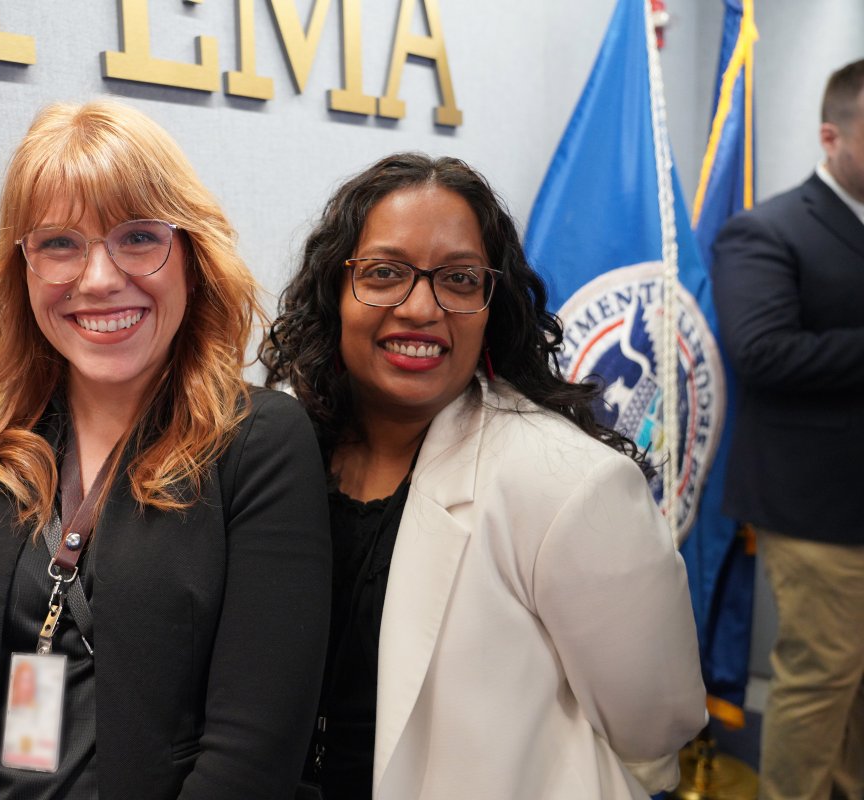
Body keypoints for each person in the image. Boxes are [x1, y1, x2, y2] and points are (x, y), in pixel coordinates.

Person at [0, 99, 332, 800]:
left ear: (191, 258)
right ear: (23, 270)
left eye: (138, 237)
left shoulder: (259, 444)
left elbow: (252, 758)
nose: (100, 278)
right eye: (59, 244)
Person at [261, 153, 707, 799]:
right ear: (336, 290)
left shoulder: (566, 481)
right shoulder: (283, 453)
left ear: (491, 305)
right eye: (384, 273)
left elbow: (656, 721)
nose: (420, 308)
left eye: (459, 280)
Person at [711, 59, 864, 800]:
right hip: (817, 508)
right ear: (831, 136)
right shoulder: (765, 230)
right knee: (821, 678)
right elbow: (763, 352)